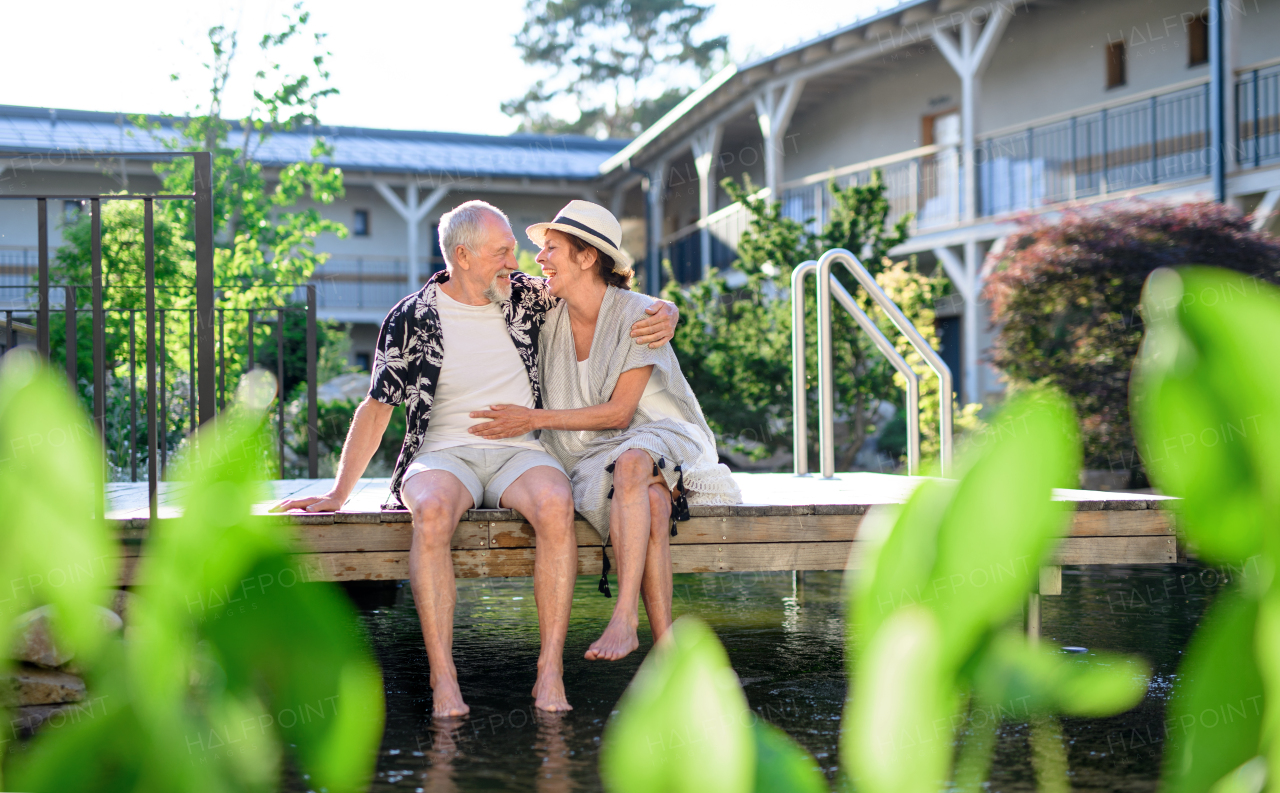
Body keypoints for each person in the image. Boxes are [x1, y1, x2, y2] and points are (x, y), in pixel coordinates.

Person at [275, 200, 679, 716]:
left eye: (515, 248)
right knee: (434, 510)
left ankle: (549, 670)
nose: (518, 260)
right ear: (462, 256)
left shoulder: (526, 297)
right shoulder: (412, 317)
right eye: (502, 251)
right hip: (443, 453)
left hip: (519, 451)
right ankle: (444, 679)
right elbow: (377, 409)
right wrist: (338, 493)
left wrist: (667, 311)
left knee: (556, 504)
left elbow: (607, 296)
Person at [468, 201, 741, 662]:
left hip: (661, 434)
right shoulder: (544, 308)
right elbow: (473, 282)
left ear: (587, 256)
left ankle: (623, 617)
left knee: (634, 463)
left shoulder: (637, 314)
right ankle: (667, 649)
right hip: (590, 453)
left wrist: (531, 419)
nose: (540, 259)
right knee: (652, 500)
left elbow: (619, 414)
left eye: (552, 248)